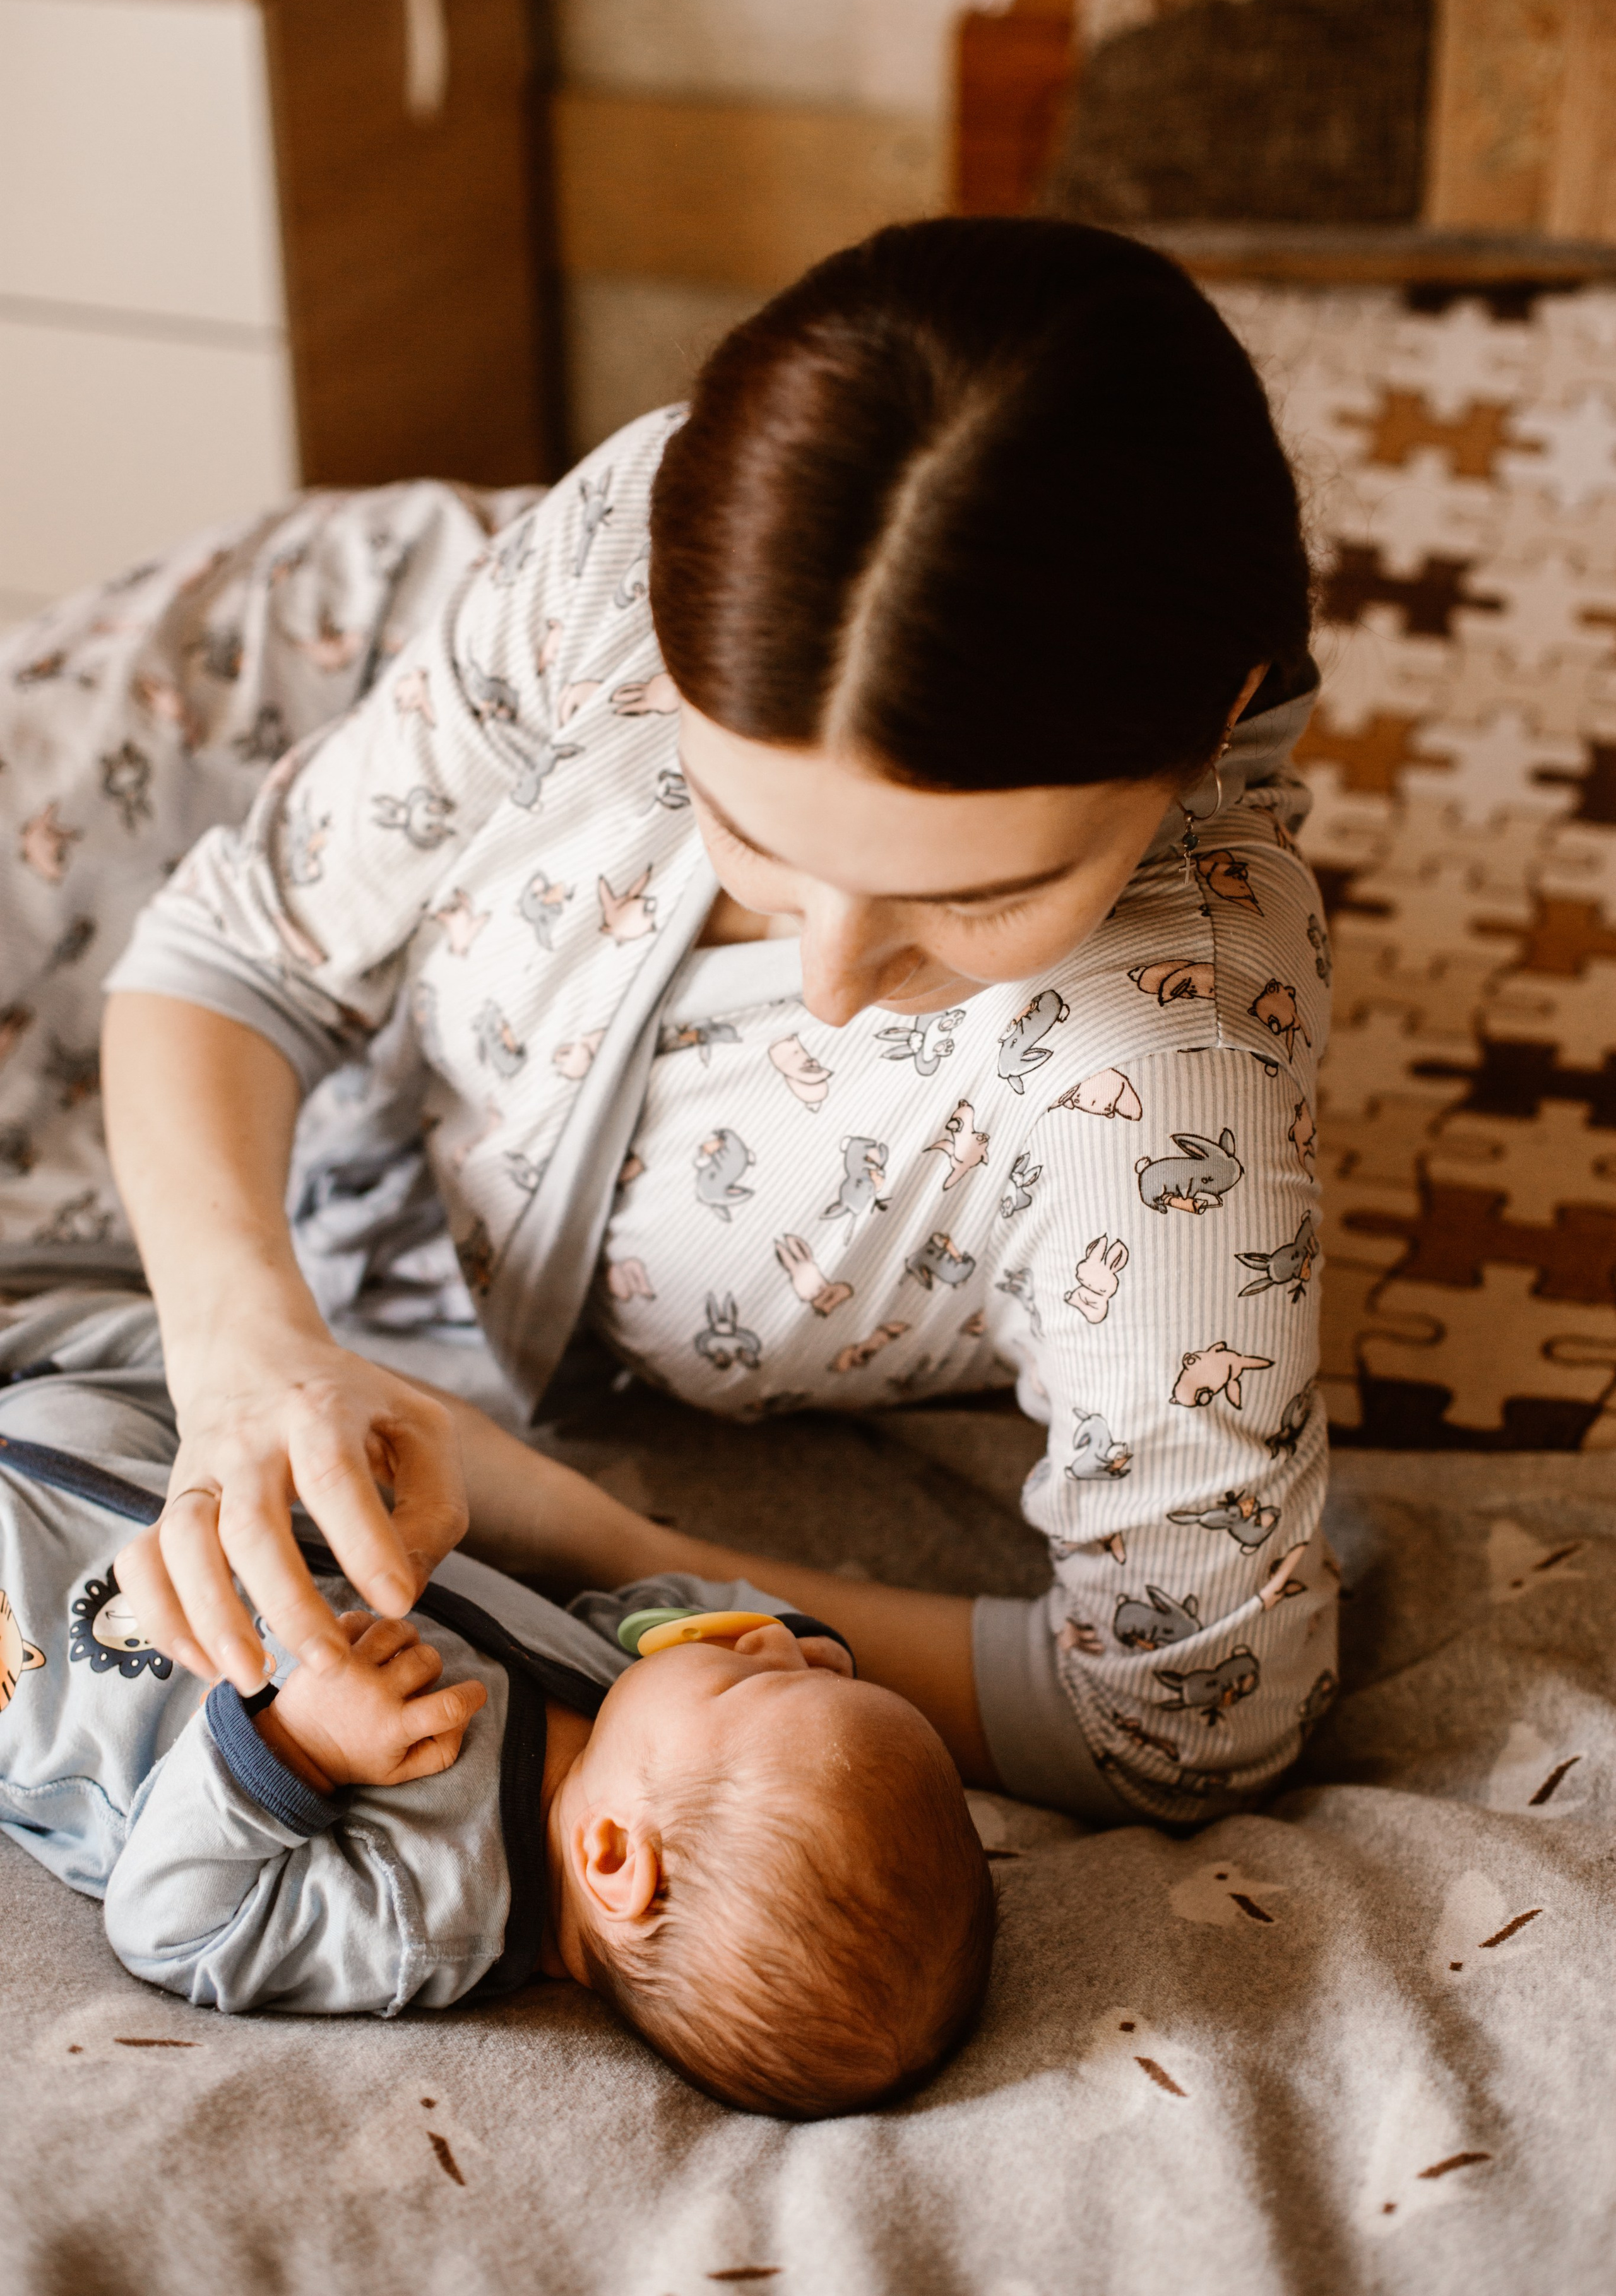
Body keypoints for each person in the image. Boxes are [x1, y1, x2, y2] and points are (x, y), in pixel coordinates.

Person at [99, 216, 1338, 1826]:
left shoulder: (1168, 1085)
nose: (831, 982)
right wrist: (241, 1346)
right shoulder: (624, 548)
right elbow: (235, 943)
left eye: (973, 902)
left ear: (1221, 713)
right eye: (744, 832)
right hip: (387, 638)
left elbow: (1179, 1721)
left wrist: (583, 1534)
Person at [0, 1290, 993, 2118]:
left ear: (616, 1861)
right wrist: (736, 1634)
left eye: (761, 1679)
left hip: (43, 1646)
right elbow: (633, 1612)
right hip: (142, 1448)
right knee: (185, 1334)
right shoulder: (620, 1714)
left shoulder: (424, 1916)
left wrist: (296, 1750)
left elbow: (172, 1928)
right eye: (822, 1667)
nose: (784, 1646)